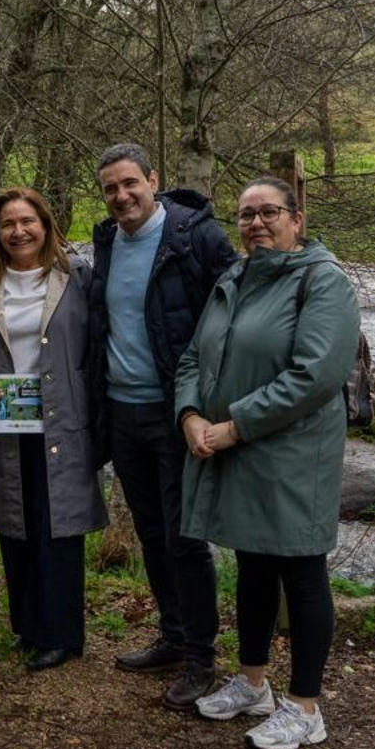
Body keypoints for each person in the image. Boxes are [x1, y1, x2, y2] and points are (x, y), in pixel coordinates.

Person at [176, 176, 361, 749]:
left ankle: (305, 709)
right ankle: (253, 684)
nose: (256, 223)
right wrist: (190, 415)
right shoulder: (234, 279)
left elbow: (316, 375)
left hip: (294, 453)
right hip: (236, 446)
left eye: (269, 212)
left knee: (302, 571)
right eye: (246, 215)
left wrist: (234, 426)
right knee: (253, 563)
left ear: (296, 220)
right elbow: (193, 356)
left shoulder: (323, 281)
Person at [87, 142, 238, 709]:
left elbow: (235, 312)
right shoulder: (107, 241)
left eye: (130, 183)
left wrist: (212, 400)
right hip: (123, 411)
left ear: (153, 181)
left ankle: (201, 657)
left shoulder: (196, 237)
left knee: (184, 537)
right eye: (110, 188)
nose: (121, 195)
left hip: (179, 412)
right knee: (152, 532)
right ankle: (173, 638)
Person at [0, 188, 105, 672]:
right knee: (16, 522)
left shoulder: (77, 276)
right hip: (8, 418)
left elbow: (98, 341)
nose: (18, 231)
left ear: (45, 224)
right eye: (8, 224)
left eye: (27, 221)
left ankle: (61, 633)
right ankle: (26, 625)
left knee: (57, 524)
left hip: (63, 419)